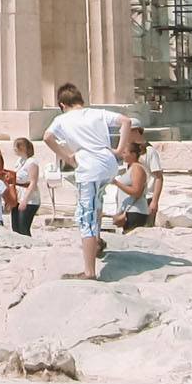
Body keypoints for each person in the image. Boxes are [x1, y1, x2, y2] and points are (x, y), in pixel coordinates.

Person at [44, 84, 132, 280]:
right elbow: (126, 121)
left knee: (86, 216)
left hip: (89, 166)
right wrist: (118, 150)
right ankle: (98, 242)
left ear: (62, 104)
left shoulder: (62, 119)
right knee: (97, 204)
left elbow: (47, 137)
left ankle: (89, 271)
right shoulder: (97, 113)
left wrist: (66, 157)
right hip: (108, 164)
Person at [112, 143, 151, 233]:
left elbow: (137, 191)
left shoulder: (137, 168)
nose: (123, 155)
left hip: (135, 211)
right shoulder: (130, 168)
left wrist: (117, 183)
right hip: (128, 212)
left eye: (125, 153)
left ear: (133, 154)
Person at [133, 125, 165, 224]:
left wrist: (154, 202)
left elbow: (159, 177)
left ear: (136, 132)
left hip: (147, 199)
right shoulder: (130, 151)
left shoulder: (150, 152)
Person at [11, 137, 41, 235]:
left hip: (29, 198)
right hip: (18, 195)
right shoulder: (19, 161)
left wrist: (25, 200)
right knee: (15, 227)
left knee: (23, 227)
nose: (14, 149)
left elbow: (33, 182)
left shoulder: (32, 162)